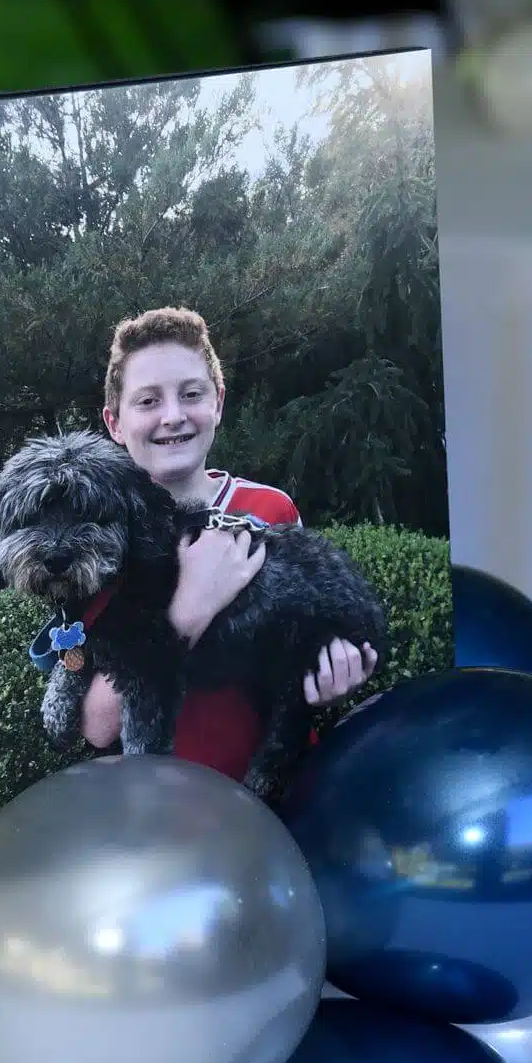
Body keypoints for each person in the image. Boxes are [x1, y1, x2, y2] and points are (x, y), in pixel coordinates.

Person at [80, 305, 378, 777]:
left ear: (218, 402)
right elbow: (96, 725)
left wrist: (330, 677)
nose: (173, 416)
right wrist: (190, 608)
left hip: (285, 791)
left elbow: (300, 649)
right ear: (115, 423)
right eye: (148, 401)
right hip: (165, 805)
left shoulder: (271, 510)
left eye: (191, 394)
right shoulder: (99, 539)